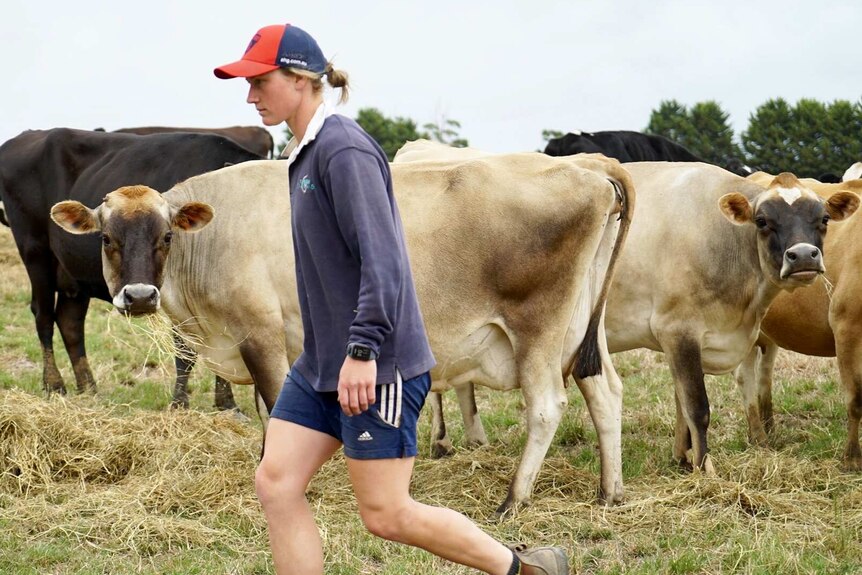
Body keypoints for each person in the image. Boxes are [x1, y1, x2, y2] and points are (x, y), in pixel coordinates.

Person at [214, 23, 569, 575]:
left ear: (303, 79)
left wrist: (362, 352)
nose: (250, 95)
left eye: (261, 81)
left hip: (374, 365)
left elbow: (384, 261)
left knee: (386, 514)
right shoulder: (302, 152)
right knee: (276, 482)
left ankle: (523, 570)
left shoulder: (344, 151)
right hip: (321, 363)